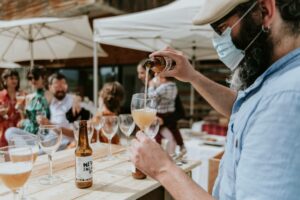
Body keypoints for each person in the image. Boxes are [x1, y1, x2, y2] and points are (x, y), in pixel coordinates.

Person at [130, 0, 300, 199]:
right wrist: (191, 75)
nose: (219, 41)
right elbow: (243, 107)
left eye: (223, 28)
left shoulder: (284, 100)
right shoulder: (277, 80)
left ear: (265, 11)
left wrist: (163, 169)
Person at [5, 66, 51, 141]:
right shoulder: (28, 97)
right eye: (30, 78)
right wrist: (21, 113)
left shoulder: (48, 94)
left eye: (36, 77)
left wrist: (77, 98)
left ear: (43, 78)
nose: (33, 80)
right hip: (29, 132)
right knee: (9, 132)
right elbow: (25, 118)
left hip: (44, 134)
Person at [148, 76, 186, 155]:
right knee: (175, 130)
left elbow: (152, 96)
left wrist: (151, 87)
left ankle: (157, 148)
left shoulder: (163, 87)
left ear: (163, 78)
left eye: (158, 78)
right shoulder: (174, 86)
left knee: (157, 131)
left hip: (160, 113)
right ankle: (181, 145)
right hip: (169, 112)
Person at [37, 72, 75, 149]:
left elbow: (76, 133)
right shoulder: (49, 102)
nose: (60, 89)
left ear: (67, 86)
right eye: (57, 86)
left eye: (63, 85)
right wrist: (38, 119)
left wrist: (50, 125)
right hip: (48, 139)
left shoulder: (73, 103)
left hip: (64, 144)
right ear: (50, 87)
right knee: (11, 132)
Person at [0, 69, 22, 147]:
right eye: (12, 78)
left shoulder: (22, 95)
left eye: (16, 78)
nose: (14, 80)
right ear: (5, 79)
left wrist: (23, 111)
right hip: (3, 134)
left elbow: (27, 116)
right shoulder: (0, 96)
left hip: (18, 133)